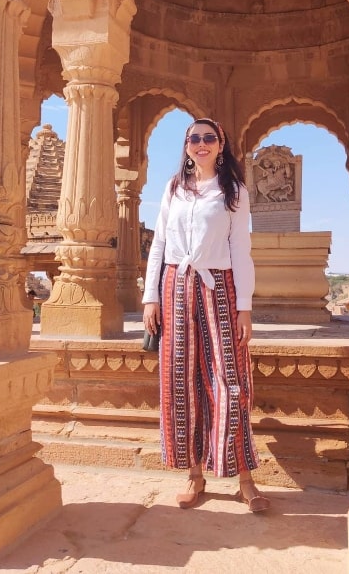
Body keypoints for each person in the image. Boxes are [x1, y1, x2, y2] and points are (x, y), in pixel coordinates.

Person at [142, 117, 270, 513]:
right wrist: (151, 298)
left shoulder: (233, 191)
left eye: (208, 138)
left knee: (231, 382)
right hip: (176, 285)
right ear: (186, 145)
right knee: (181, 381)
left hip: (220, 286)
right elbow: (160, 243)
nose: (201, 144)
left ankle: (244, 478)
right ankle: (193, 475)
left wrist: (245, 307)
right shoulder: (173, 188)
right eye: (194, 138)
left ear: (220, 144)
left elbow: (240, 250)